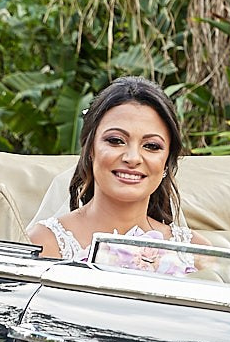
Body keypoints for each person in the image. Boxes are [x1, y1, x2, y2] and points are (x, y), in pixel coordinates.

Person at [28, 77, 198, 272]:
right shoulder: (44, 244)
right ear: (90, 149)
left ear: (167, 161)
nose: (133, 158)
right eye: (116, 140)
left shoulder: (194, 252)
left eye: (151, 146)